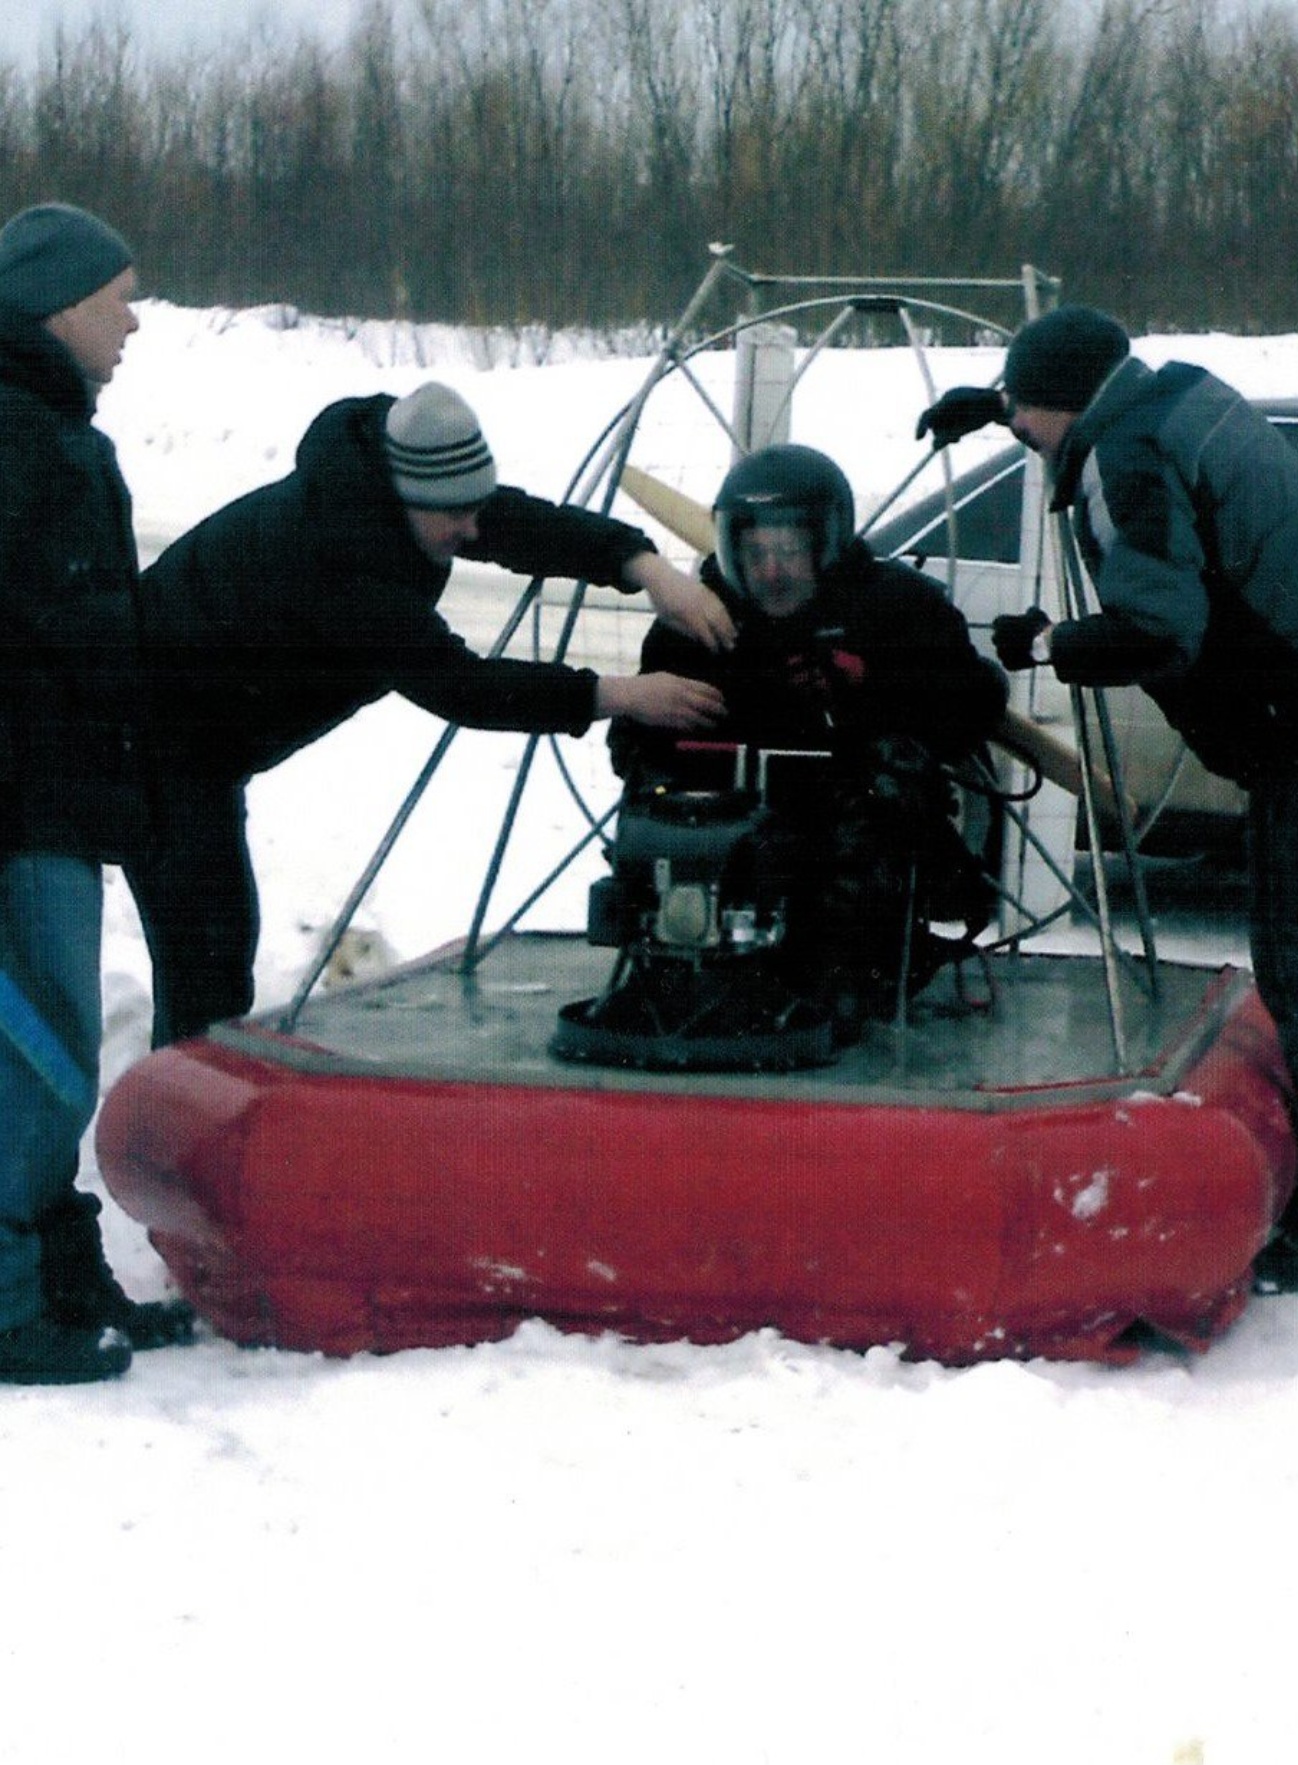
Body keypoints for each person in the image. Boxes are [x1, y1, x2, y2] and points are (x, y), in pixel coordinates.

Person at [919, 308, 1298, 1289]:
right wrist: (994, 407)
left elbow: (1159, 634)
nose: (1024, 437)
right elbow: (1089, 400)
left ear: (1061, 407)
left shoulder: (1129, 462)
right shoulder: (1176, 391)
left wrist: (1046, 645)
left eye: (1026, 422)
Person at [128, 379, 733, 1045]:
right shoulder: (341, 558)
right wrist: (620, 695)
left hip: (200, 741)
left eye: (473, 509)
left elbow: (515, 523)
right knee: (207, 965)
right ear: (407, 500)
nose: (473, 531)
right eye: (456, 519)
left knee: (213, 955)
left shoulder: (399, 491)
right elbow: (458, 686)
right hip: (147, 738)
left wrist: (648, 568)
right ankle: (180, 1116)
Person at [607, 442, 1008, 1032]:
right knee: (658, 809)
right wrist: (661, 716)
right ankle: (672, 949)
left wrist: (869, 686)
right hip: (733, 821)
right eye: (755, 553)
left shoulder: (894, 604)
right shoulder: (698, 617)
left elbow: (978, 704)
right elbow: (630, 749)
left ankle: (845, 979)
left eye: (790, 552)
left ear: (828, 543)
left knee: (881, 795)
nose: (772, 572)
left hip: (854, 827)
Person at [0, 202, 196, 1381]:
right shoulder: (20, 441)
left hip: (52, 798)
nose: (131, 323)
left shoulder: (43, 429)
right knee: (36, 1051)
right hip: (19, 804)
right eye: (118, 298)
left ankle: (60, 1269)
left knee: (49, 1048)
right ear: (57, 302)